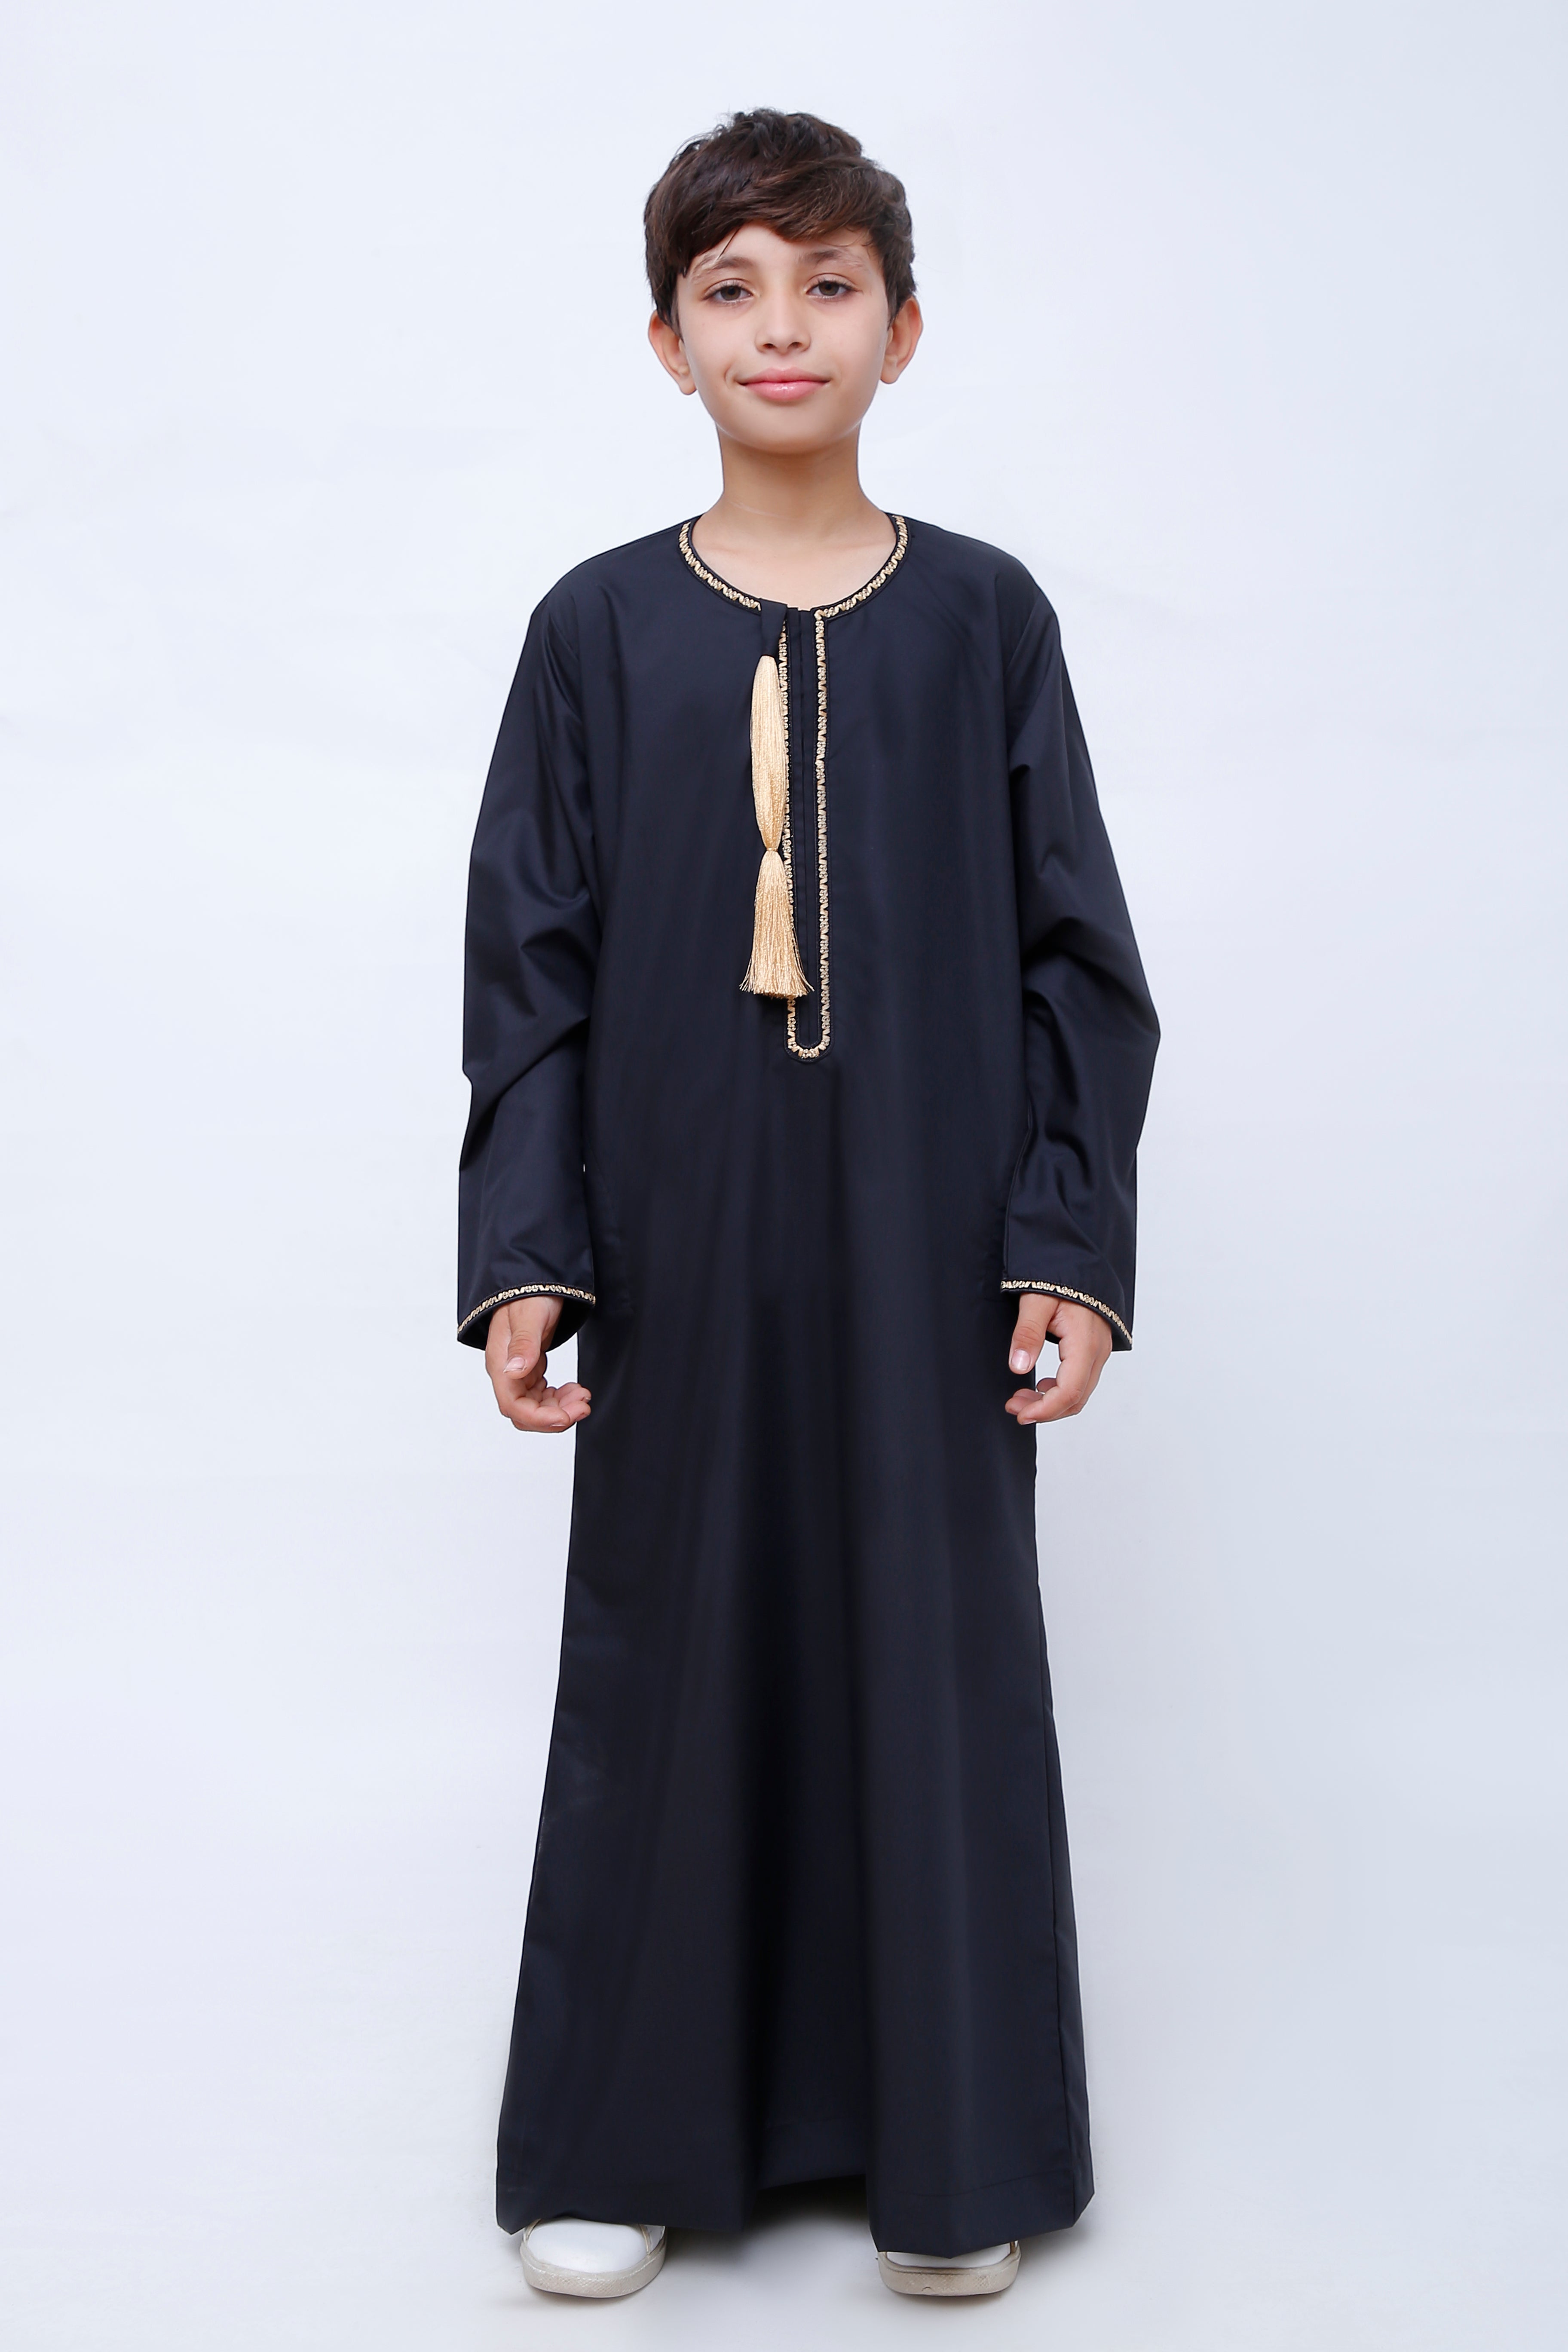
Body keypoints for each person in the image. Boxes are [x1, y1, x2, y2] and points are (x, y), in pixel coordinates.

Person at [458, 108, 1158, 2303]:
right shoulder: (597, 631)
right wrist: (528, 1253)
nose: (784, 327)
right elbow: (528, 972)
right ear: (666, 341)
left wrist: (1066, 1241)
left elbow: (1079, 963)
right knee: (669, 1654)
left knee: (934, 1658)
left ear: (904, 329)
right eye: (733, 289)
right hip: (677, 1245)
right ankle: (622, 2141)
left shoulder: (983, 619)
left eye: (829, 284)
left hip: (932, 1250)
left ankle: (953, 2155)